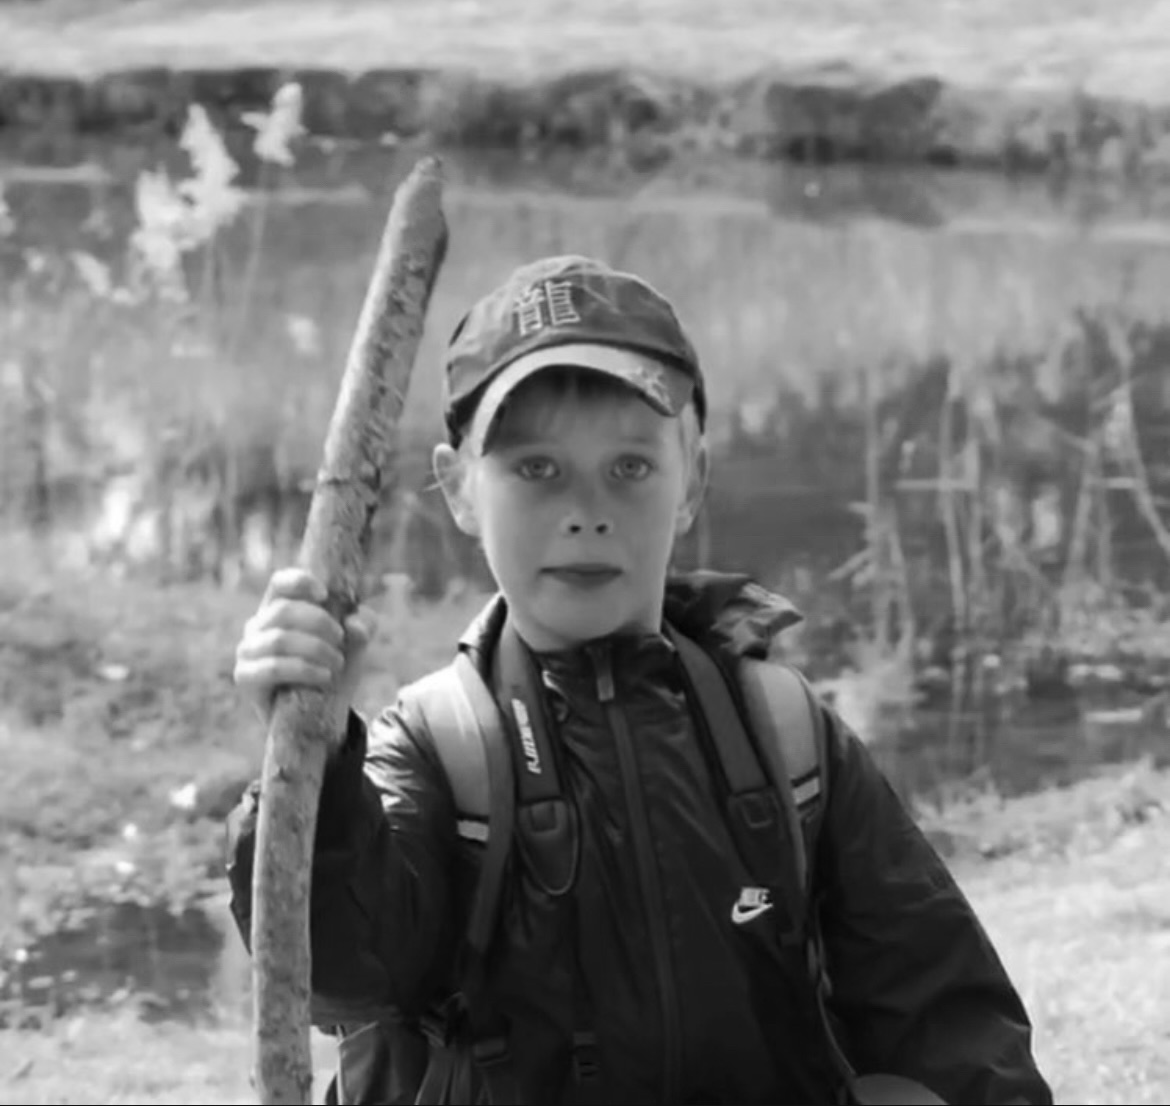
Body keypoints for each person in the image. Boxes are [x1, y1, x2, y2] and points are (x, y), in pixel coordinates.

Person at [226, 255, 1054, 1106]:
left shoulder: (783, 735)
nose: (587, 512)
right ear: (459, 489)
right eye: (536, 469)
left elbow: (945, 1018)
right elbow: (341, 977)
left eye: (629, 467)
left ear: (692, 479)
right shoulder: (433, 749)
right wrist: (316, 762)